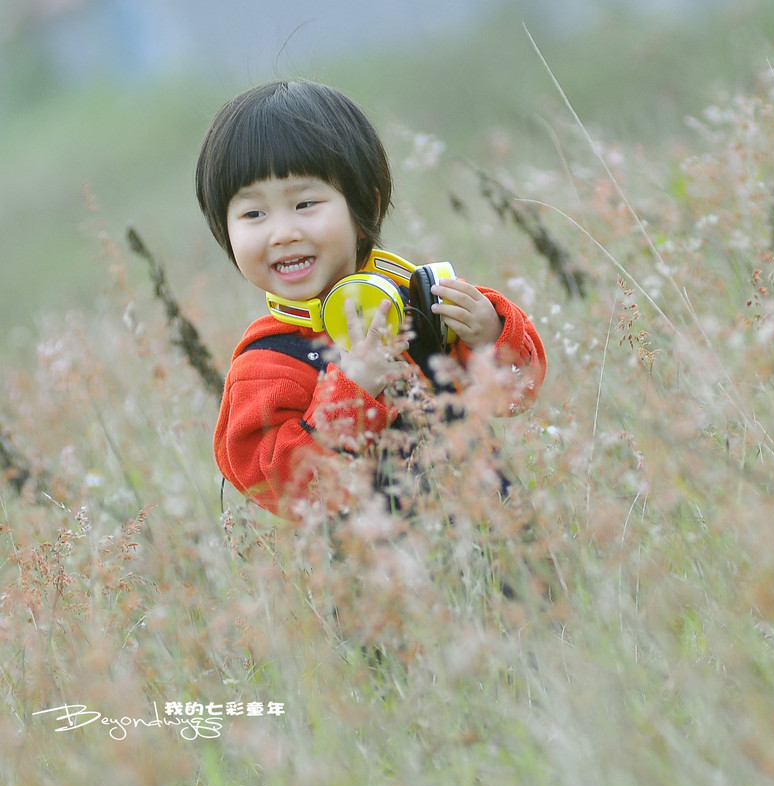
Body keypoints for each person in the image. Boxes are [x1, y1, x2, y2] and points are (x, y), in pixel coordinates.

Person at [196, 80, 546, 520]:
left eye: (305, 203)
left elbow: (514, 394)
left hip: (501, 548)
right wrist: (351, 388)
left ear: (364, 208)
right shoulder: (265, 365)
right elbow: (282, 489)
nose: (282, 232)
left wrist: (489, 334)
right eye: (253, 214)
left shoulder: (421, 306)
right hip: (381, 577)